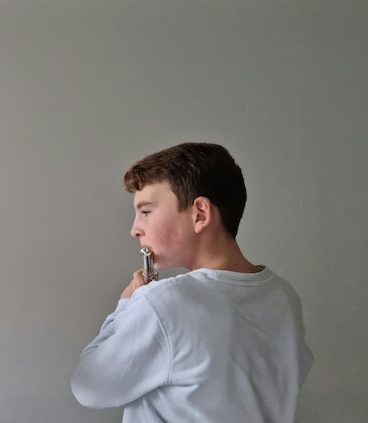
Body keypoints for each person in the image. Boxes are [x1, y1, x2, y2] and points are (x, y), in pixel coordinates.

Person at [71, 142, 313, 423]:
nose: (135, 228)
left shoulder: (163, 302)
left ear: (200, 213)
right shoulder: (283, 295)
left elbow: (89, 387)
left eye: (146, 211)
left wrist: (126, 304)